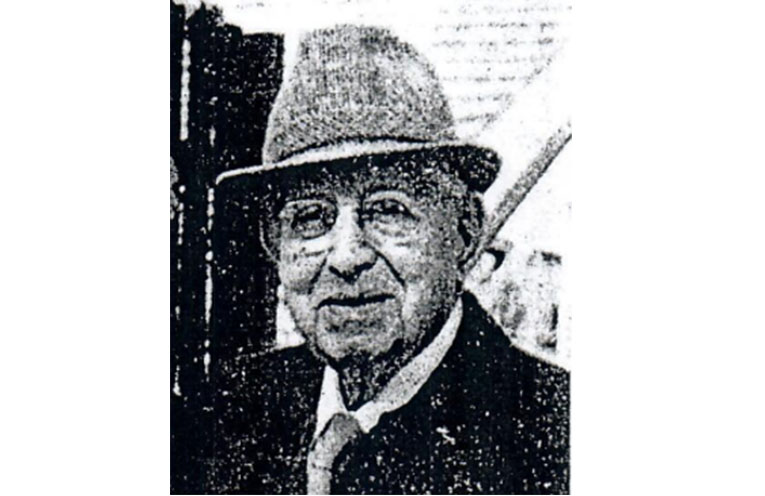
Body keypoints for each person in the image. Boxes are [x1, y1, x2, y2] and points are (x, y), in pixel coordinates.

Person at [211, 24, 569, 494]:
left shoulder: (557, 436)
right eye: (311, 217)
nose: (347, 257)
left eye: (388, 210)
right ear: (273, 244)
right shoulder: (221, 414)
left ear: (465, 232)